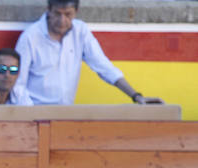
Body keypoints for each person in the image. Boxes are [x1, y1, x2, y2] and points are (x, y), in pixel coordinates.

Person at [15, 0, 162, 105]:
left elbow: (104, 67)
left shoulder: (81, 31)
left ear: (76, 12)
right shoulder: (30, 37)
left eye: (68, 14)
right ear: (48, 10)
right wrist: (30, 114)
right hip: (34, 113)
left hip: (66, 114)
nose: (62, 20)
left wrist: (136, 96)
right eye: (57, 13)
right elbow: (17, 84)